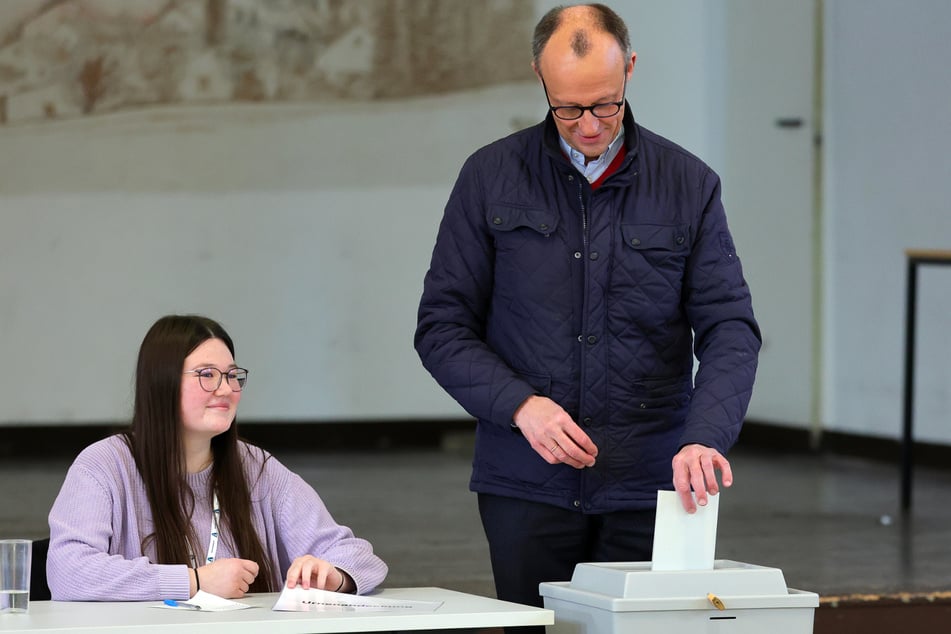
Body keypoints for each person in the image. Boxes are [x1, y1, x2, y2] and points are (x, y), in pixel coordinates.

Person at [414, 2, 761, 617]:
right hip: (525, 483)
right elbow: (441, 327)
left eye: (605, 103)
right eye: (568, 107)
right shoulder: (489, 176)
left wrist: (705, 438)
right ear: (540, 80)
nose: (590, 125)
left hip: (652, 484)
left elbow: (731, 329)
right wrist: (521, 407)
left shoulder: (689, 184)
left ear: (629, 69)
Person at [47, 314, 387, 601]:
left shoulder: (257, 469)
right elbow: (68, 571)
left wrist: (334, 575)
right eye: (207, 375)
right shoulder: (105, 465)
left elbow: (359, 557)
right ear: (161, 384)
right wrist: (195, 582)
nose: (226, 389)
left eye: (232, 375)